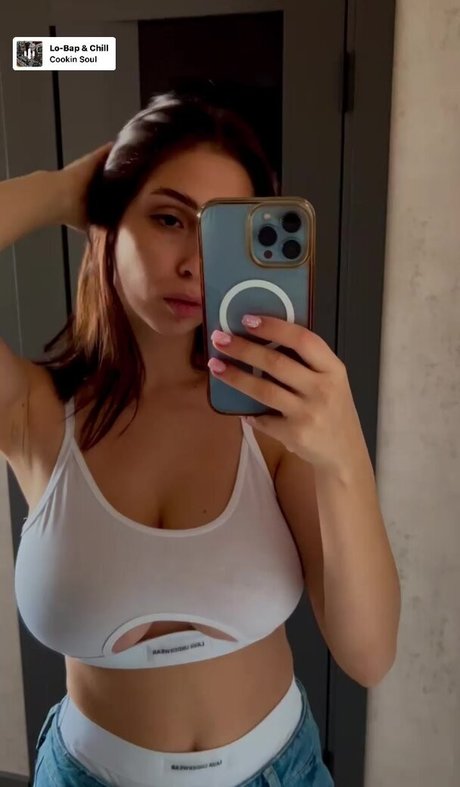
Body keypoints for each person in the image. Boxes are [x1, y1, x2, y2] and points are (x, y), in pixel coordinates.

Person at [0, 92, 400, 786]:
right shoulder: (33, 412)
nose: (195, 262)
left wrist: (343, 456)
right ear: (108, 223)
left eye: (221, 233)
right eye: (168, 219)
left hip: (281, 772)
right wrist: (61, 190)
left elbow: (369, 657)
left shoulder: (273, 418)